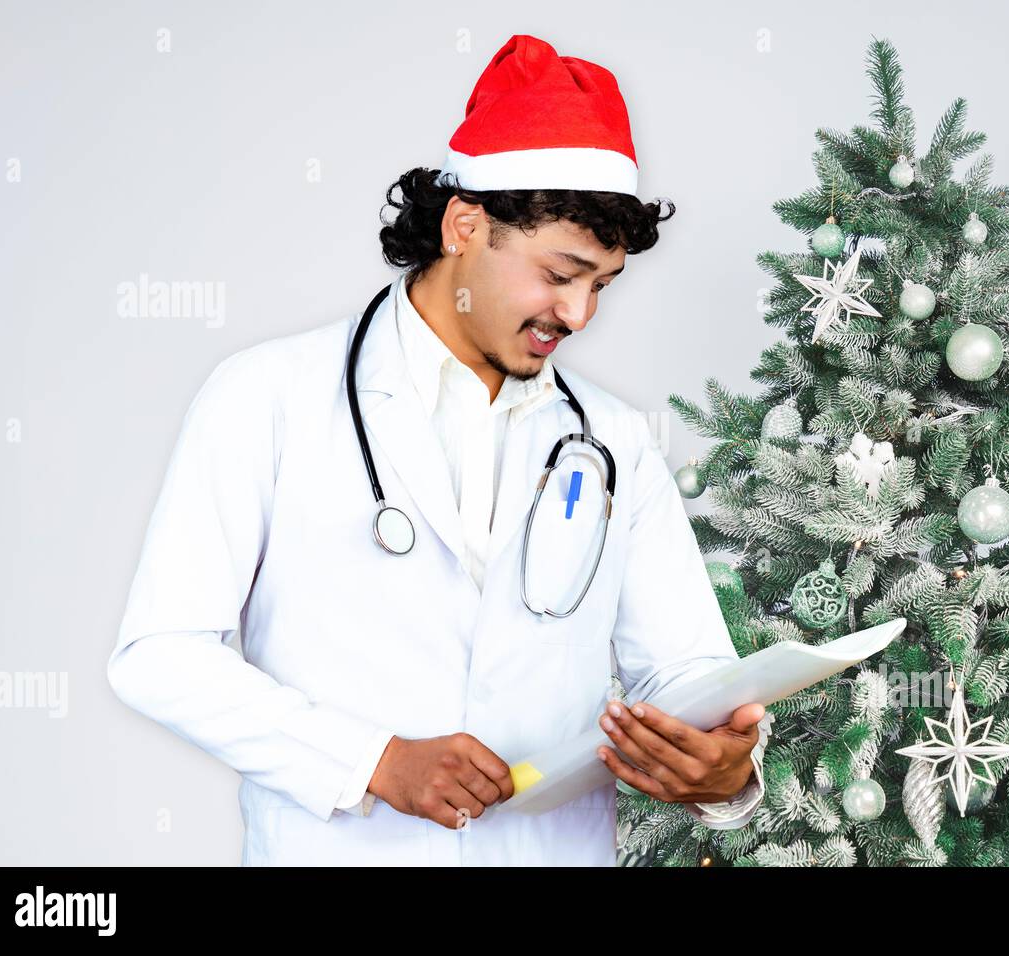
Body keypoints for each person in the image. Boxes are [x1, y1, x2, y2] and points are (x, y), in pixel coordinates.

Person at [107, 33, 772, 866]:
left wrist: (720, 763)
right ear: (465, 225)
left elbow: (683, 669)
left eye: (600, 284)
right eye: (559, 273)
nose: (578, 315)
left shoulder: (613, 441)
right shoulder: (266, 396)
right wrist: (372, 761)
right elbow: (160, 655)